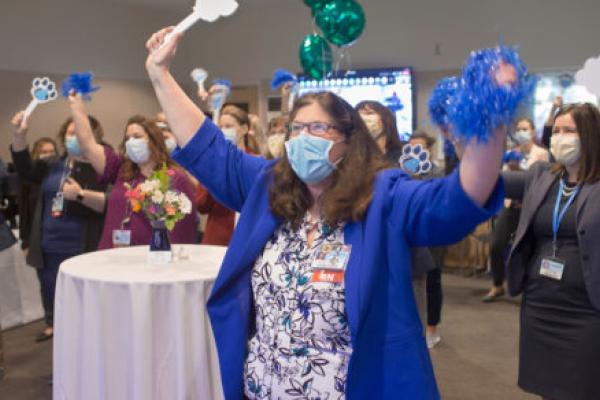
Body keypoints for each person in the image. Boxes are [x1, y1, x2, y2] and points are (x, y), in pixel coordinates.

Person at [145, 27, 507, 399]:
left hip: (352, 386)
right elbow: (208, 149)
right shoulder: (269, 184)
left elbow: (455, 203)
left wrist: (490, 118)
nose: (303, 137)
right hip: (265, 386)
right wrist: (160, 75)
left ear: (348, 138)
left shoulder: (383, 194)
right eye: (296, 128)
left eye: (318, 127)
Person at [504, 103, 600, 400]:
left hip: (587, 307)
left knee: (583, 387)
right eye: (556, 130)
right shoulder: (542, 175)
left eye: (569, 130)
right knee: (549, 388)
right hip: (541, 303)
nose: (561, 137)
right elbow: (495, 183)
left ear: (591, 135)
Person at [10, 112, 108, 342]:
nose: (73, 137)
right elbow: (23, 167)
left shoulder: (101, 165)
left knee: (83, 311)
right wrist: (19, 134)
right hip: (49, 246)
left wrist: (81, 195)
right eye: (69, 133)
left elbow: (109, 202)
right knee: (53, 298)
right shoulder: (54, 164)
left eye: (79, 133)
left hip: (82, 246)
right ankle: (62, 357)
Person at [66, 97, 198, 249]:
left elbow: (183, 231)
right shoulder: (121, 169)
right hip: (112, 256)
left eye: (137, 137)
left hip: (150, 260)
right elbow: (88, 145)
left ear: (154, 141)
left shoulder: (175, 178)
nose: (131, 142)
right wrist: (77, 106)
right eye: (127, 138)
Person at [483, 117, 550, 302]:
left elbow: (540, 180)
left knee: (530, 248)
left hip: (531, 208)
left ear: (533, 131)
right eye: (519, 128)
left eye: (525, 128)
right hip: (510, 206)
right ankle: (497, 285)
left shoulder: (541, 154)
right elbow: (504, 180)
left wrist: (520, 173)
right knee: (496, 245)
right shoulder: (510, 153)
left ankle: (529, 288)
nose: (522, 132)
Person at [407, 131, 446, 349]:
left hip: (432, 232)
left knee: (432, 279)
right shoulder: (404, 170)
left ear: (429, 150)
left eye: (419, 146)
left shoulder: (437, 172)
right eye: (411, 146)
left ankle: (432, 326)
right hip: (411, 233)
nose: (414, 151)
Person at [18, 137, 58, 255]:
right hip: (36, 233)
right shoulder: (28, 179)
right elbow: (24, 211)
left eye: (51, 152)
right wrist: (26, 242)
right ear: (36, 154)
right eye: (44, 152)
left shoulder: (61, 175)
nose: (49, 155)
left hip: (57, 233)